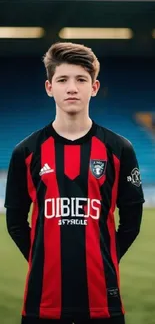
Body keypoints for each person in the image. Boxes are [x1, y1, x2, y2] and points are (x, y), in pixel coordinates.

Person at [4, 42, 144, 324]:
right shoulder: (25, 152)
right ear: (49, 87)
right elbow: (16, 222)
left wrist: (104, 258)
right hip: (42, 304)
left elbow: (131, 221)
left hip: (103, 302)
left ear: (94, 87)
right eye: (62, 80)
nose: (72, 88)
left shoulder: (120, 149)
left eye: (81, 79)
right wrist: (40, 258)